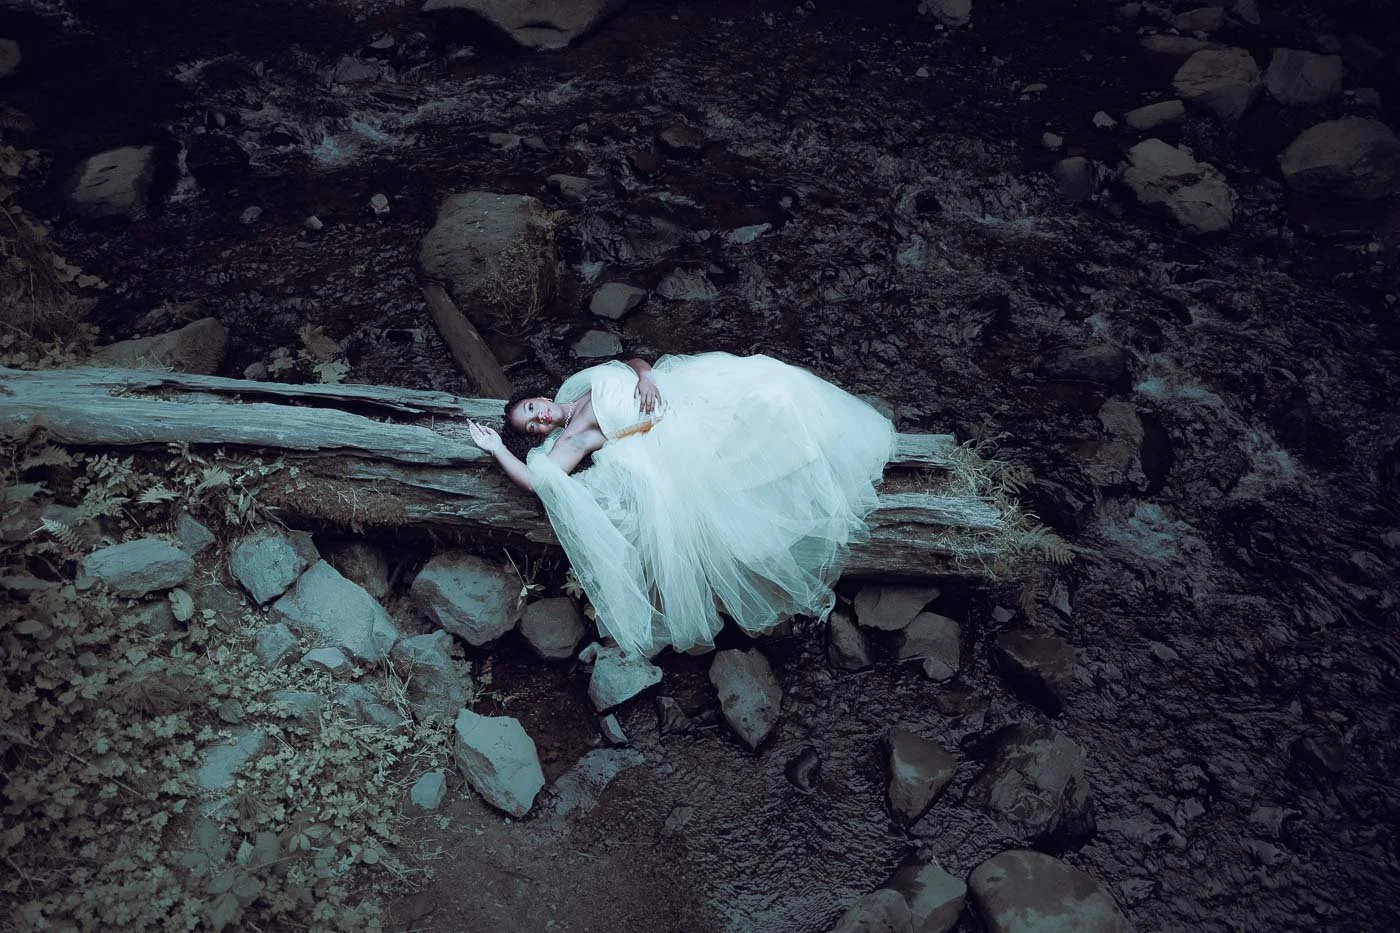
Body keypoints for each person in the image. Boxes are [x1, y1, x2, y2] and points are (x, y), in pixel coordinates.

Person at [467, 352, 896, 657]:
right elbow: (538, 481)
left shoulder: (577, 386)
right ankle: (805, 463)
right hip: (675, 438)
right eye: (532, 424)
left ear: (538, 396)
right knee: (772, 409)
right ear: (539, 433)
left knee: (775, 378)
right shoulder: (572, 437)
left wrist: (647, 376)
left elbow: (630, 361)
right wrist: (498, 451)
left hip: (684, 393)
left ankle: (815, 444)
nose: (539, 417)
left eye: (530, 408)